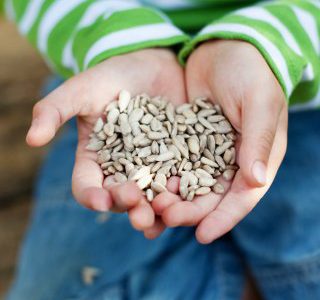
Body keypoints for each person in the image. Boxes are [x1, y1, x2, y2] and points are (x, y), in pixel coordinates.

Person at [4, 0, 320, 299]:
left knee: (306, 270)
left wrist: (270, 44)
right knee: (69, 286)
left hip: (297, 71)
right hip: (108, 71)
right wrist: (117, 41)